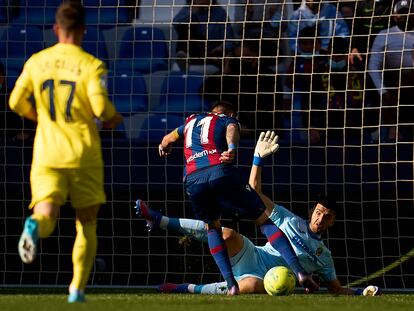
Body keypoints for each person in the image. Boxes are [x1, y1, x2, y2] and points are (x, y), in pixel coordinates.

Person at [137, 131, 381, 296]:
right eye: (318, 212)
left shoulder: (324, 257)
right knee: (227, 233)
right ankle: (159, 219)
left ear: (333, 221)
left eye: (327, 216)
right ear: (312, 211)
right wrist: (257, 159)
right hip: (254, 254)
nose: (320, 218)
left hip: (265, 280)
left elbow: (337, 289)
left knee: (250, 285)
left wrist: (361, 292)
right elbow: (253, 192)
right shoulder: (289, 219)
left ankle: (184, 288)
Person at [8, 1, 123, 303]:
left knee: (45, 212)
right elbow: (100, 108)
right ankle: (76, 290)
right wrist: (113, 118)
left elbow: (15, 102)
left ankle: (34, 226)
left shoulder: (37, 61)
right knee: (86, 222)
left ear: (56, 28)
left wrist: (40, 118)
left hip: (47, 153)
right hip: (83, 153)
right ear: (83, 30)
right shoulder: (90, 64)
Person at [157, 103, 318, 295]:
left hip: (193, 179)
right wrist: (232, 147)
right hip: (220, 171)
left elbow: (167, 139)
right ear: (231, 113)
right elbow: (232, 128)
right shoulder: (226, 119)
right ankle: (300, 272)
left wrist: (164, 146)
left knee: (212, 227)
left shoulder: (191, 120)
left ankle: (231, 284)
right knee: (264, 220)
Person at [368, 0, 414, 142]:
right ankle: (392, 131)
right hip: (391, 84)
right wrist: (383, 91)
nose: (406, 16)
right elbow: (373, 66)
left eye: (409, 12)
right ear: (395, 16)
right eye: (402, 13)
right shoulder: (384, 34)